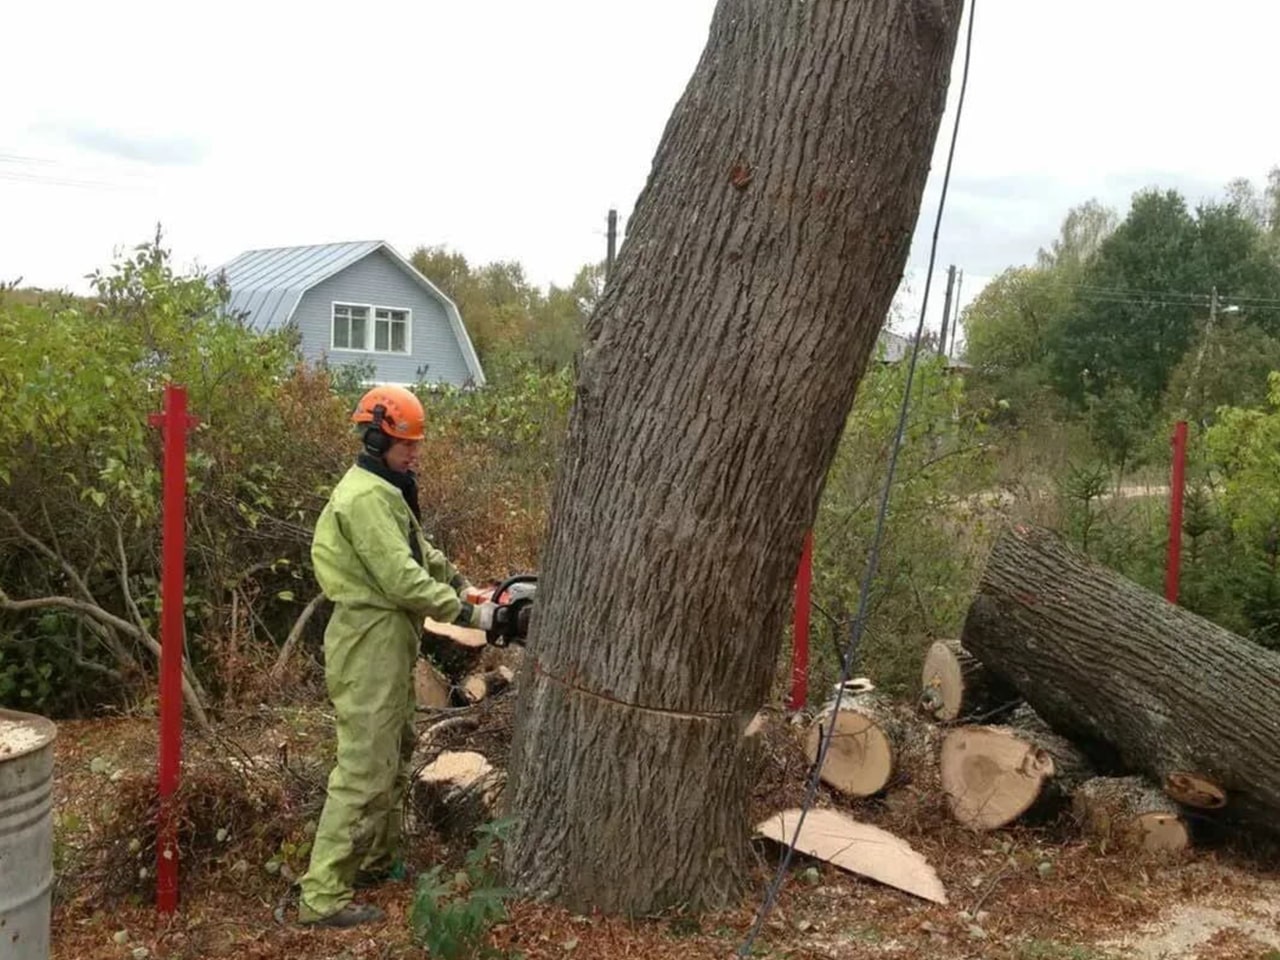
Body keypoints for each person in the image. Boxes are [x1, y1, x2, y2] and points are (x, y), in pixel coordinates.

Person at [296, 384, 496, 928]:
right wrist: (467, 614)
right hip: (368, 637)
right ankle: (322, 895)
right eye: (404, 443)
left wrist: (463, 584)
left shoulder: (386, 489)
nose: (413, 453)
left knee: (397, 746)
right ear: (375, 437)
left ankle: (377, 862)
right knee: (364, 765)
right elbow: (399, 576)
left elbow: (418, 552)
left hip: (389, 635)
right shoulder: (363, 498)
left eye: (416, 444)